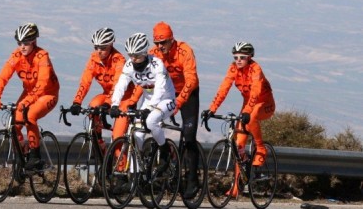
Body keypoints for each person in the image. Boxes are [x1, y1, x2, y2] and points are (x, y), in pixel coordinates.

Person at [203, 42, 275, 197]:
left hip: (264, 104)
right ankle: (237, 186)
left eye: (242, 57)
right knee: (238, 145)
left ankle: (261, 148)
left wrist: (247, 111)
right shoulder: (233, 68)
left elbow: (255, 92)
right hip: (248, 105)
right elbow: (224, 89)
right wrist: (212, 109)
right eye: (236, 57)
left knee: (253, 114)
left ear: (249, 57)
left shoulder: (256, 69)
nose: (238, 60)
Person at [110, 32, 176, 194]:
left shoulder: (157, 64)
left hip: (165, 99)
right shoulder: (128, 65)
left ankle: (165, 150)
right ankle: (136, 176)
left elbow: (160, 89)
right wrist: (114, 104)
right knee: (136, 136)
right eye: (131, 56)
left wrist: (150, 108)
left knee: (152, 120)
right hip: (148, 99)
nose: (134, 60)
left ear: (145, 53)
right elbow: (121, 85)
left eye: (137, 56)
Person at [0, 23, 60, 170]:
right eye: (19, 43)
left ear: (34, 42)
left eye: (26, 43)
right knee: (15, 122)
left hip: (47, 93)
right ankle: (22, 153)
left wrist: (27, 101)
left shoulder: (42, 56)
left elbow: (42, 84)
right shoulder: (16, 56)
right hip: (29, 92)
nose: (22, 47)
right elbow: (2, 77)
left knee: (30, 115)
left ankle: (35, 157)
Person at [149, 21, 200, 199]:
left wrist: (179, 102)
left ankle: (193, 179)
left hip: (188, 92)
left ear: (172, 39)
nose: (160, 47)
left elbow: (191, 80)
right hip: (167, 93)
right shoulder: (153, 54)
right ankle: (165, 155)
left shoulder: (184, 51)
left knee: (189, 135)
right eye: (157, 43)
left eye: (164, 42)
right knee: (152, 123)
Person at [70, 28, 141, 153]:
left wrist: (108, 103)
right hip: (107, 95)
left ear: (111, 45)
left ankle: (119, 169)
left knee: (117, 137)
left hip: (125, 98)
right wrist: (77, 102)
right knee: (93, 106)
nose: (99, 51)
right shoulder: (93, 59)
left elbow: (118, 85)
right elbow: (85, 82)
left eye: (103, 48)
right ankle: (100, 143)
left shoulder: (119, 60)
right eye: (96, 47)